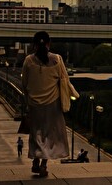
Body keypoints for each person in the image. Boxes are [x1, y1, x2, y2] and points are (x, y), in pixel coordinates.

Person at [21, 31, 74, 177]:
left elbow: (24, 84)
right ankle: (43, 165)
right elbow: (64, 81)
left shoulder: (28, 61)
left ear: (34, 45)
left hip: (34, 104)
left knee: (36, 133)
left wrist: (27, 101)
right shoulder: (57, 60)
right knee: (50, 135)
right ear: (49, 43)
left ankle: (35, 159)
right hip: (52, 105)